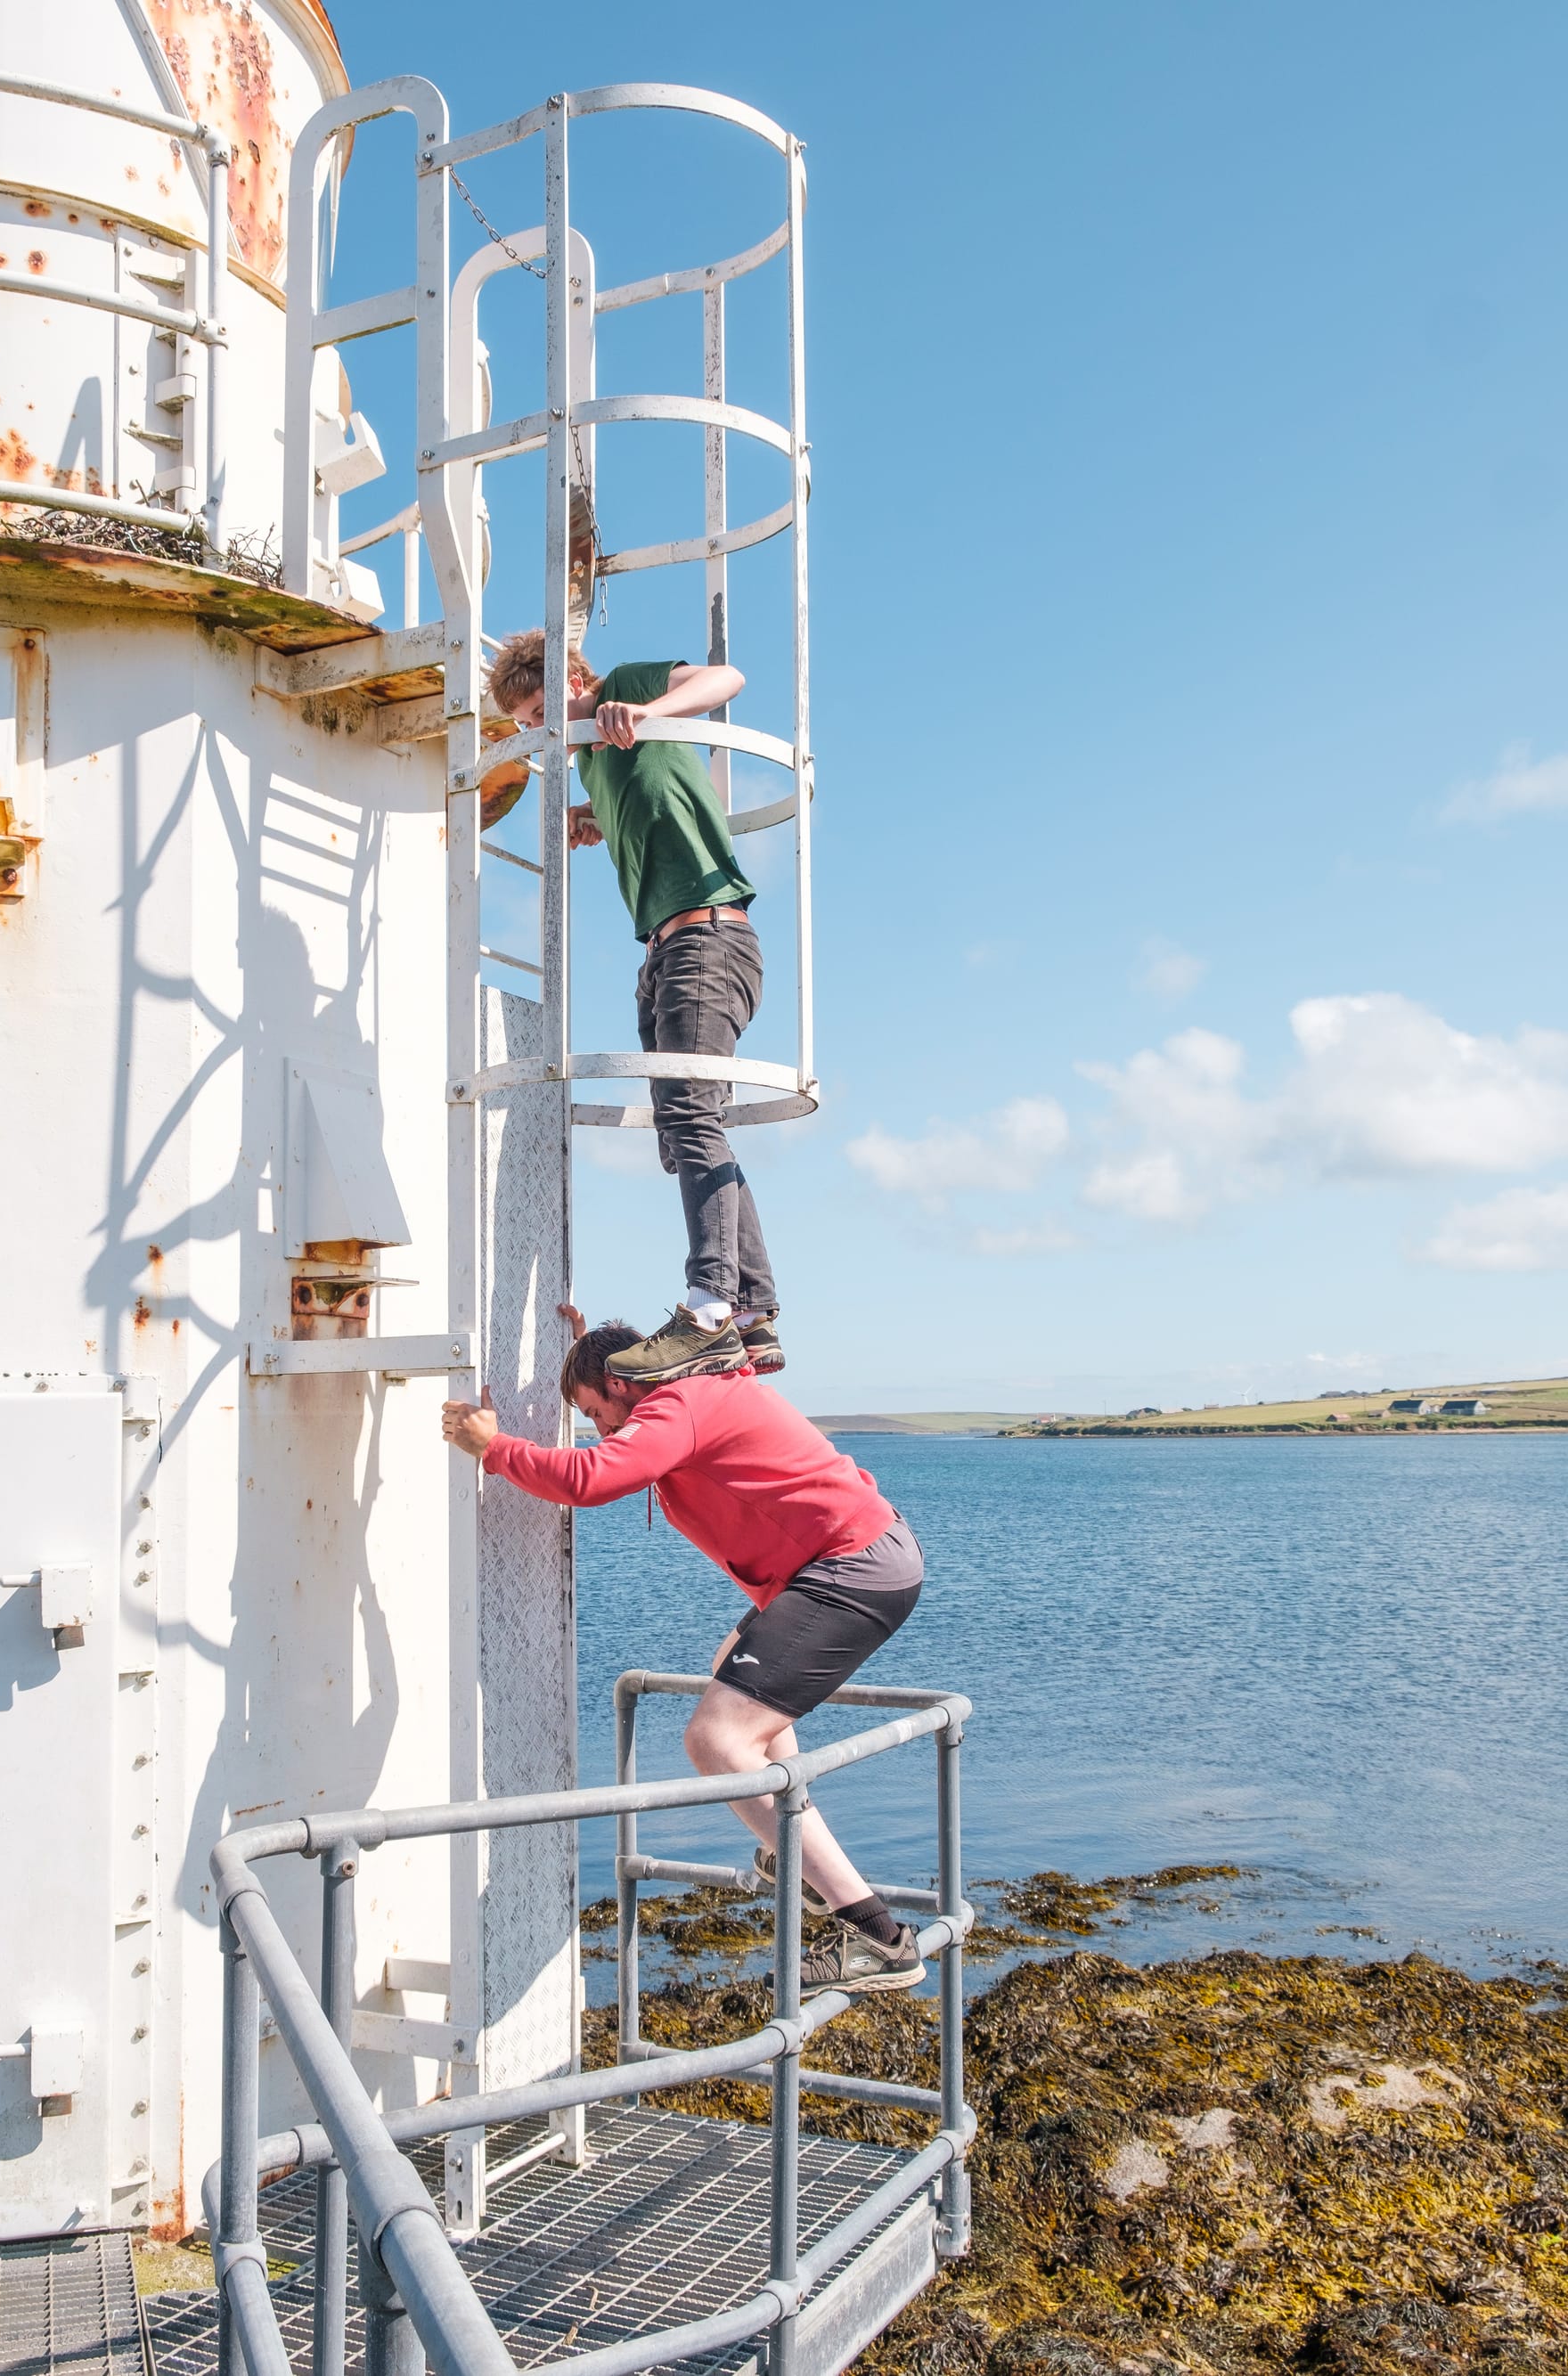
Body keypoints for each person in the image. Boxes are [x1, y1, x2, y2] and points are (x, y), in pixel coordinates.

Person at [441, 1311, 927, 1999]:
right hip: (846, 1561)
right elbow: (619, 1419)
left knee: (715, 1739)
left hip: (850, 1564)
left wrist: (495, 1448)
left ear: (621, 1380)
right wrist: (581, 1337)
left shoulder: (677, 1401)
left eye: (592, 1411)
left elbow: (590, 1478)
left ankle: (874, 1933)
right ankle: (793, 1854)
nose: (599, 1429)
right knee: (735, 1672)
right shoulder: (681, 1392)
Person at [487, 629, 780, 1382]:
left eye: (540, 707)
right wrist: (595, 815)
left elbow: (729, 677)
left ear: (576, 677)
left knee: (690, 1117)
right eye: (525, 721)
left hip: (707, 941)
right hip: (662, 954)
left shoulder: (625, 689)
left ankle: (711, 1306)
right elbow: (637, 797)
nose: (537, 728)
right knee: (684, 1132)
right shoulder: (595, 759)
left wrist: (648, 710)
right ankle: (752, 1310)